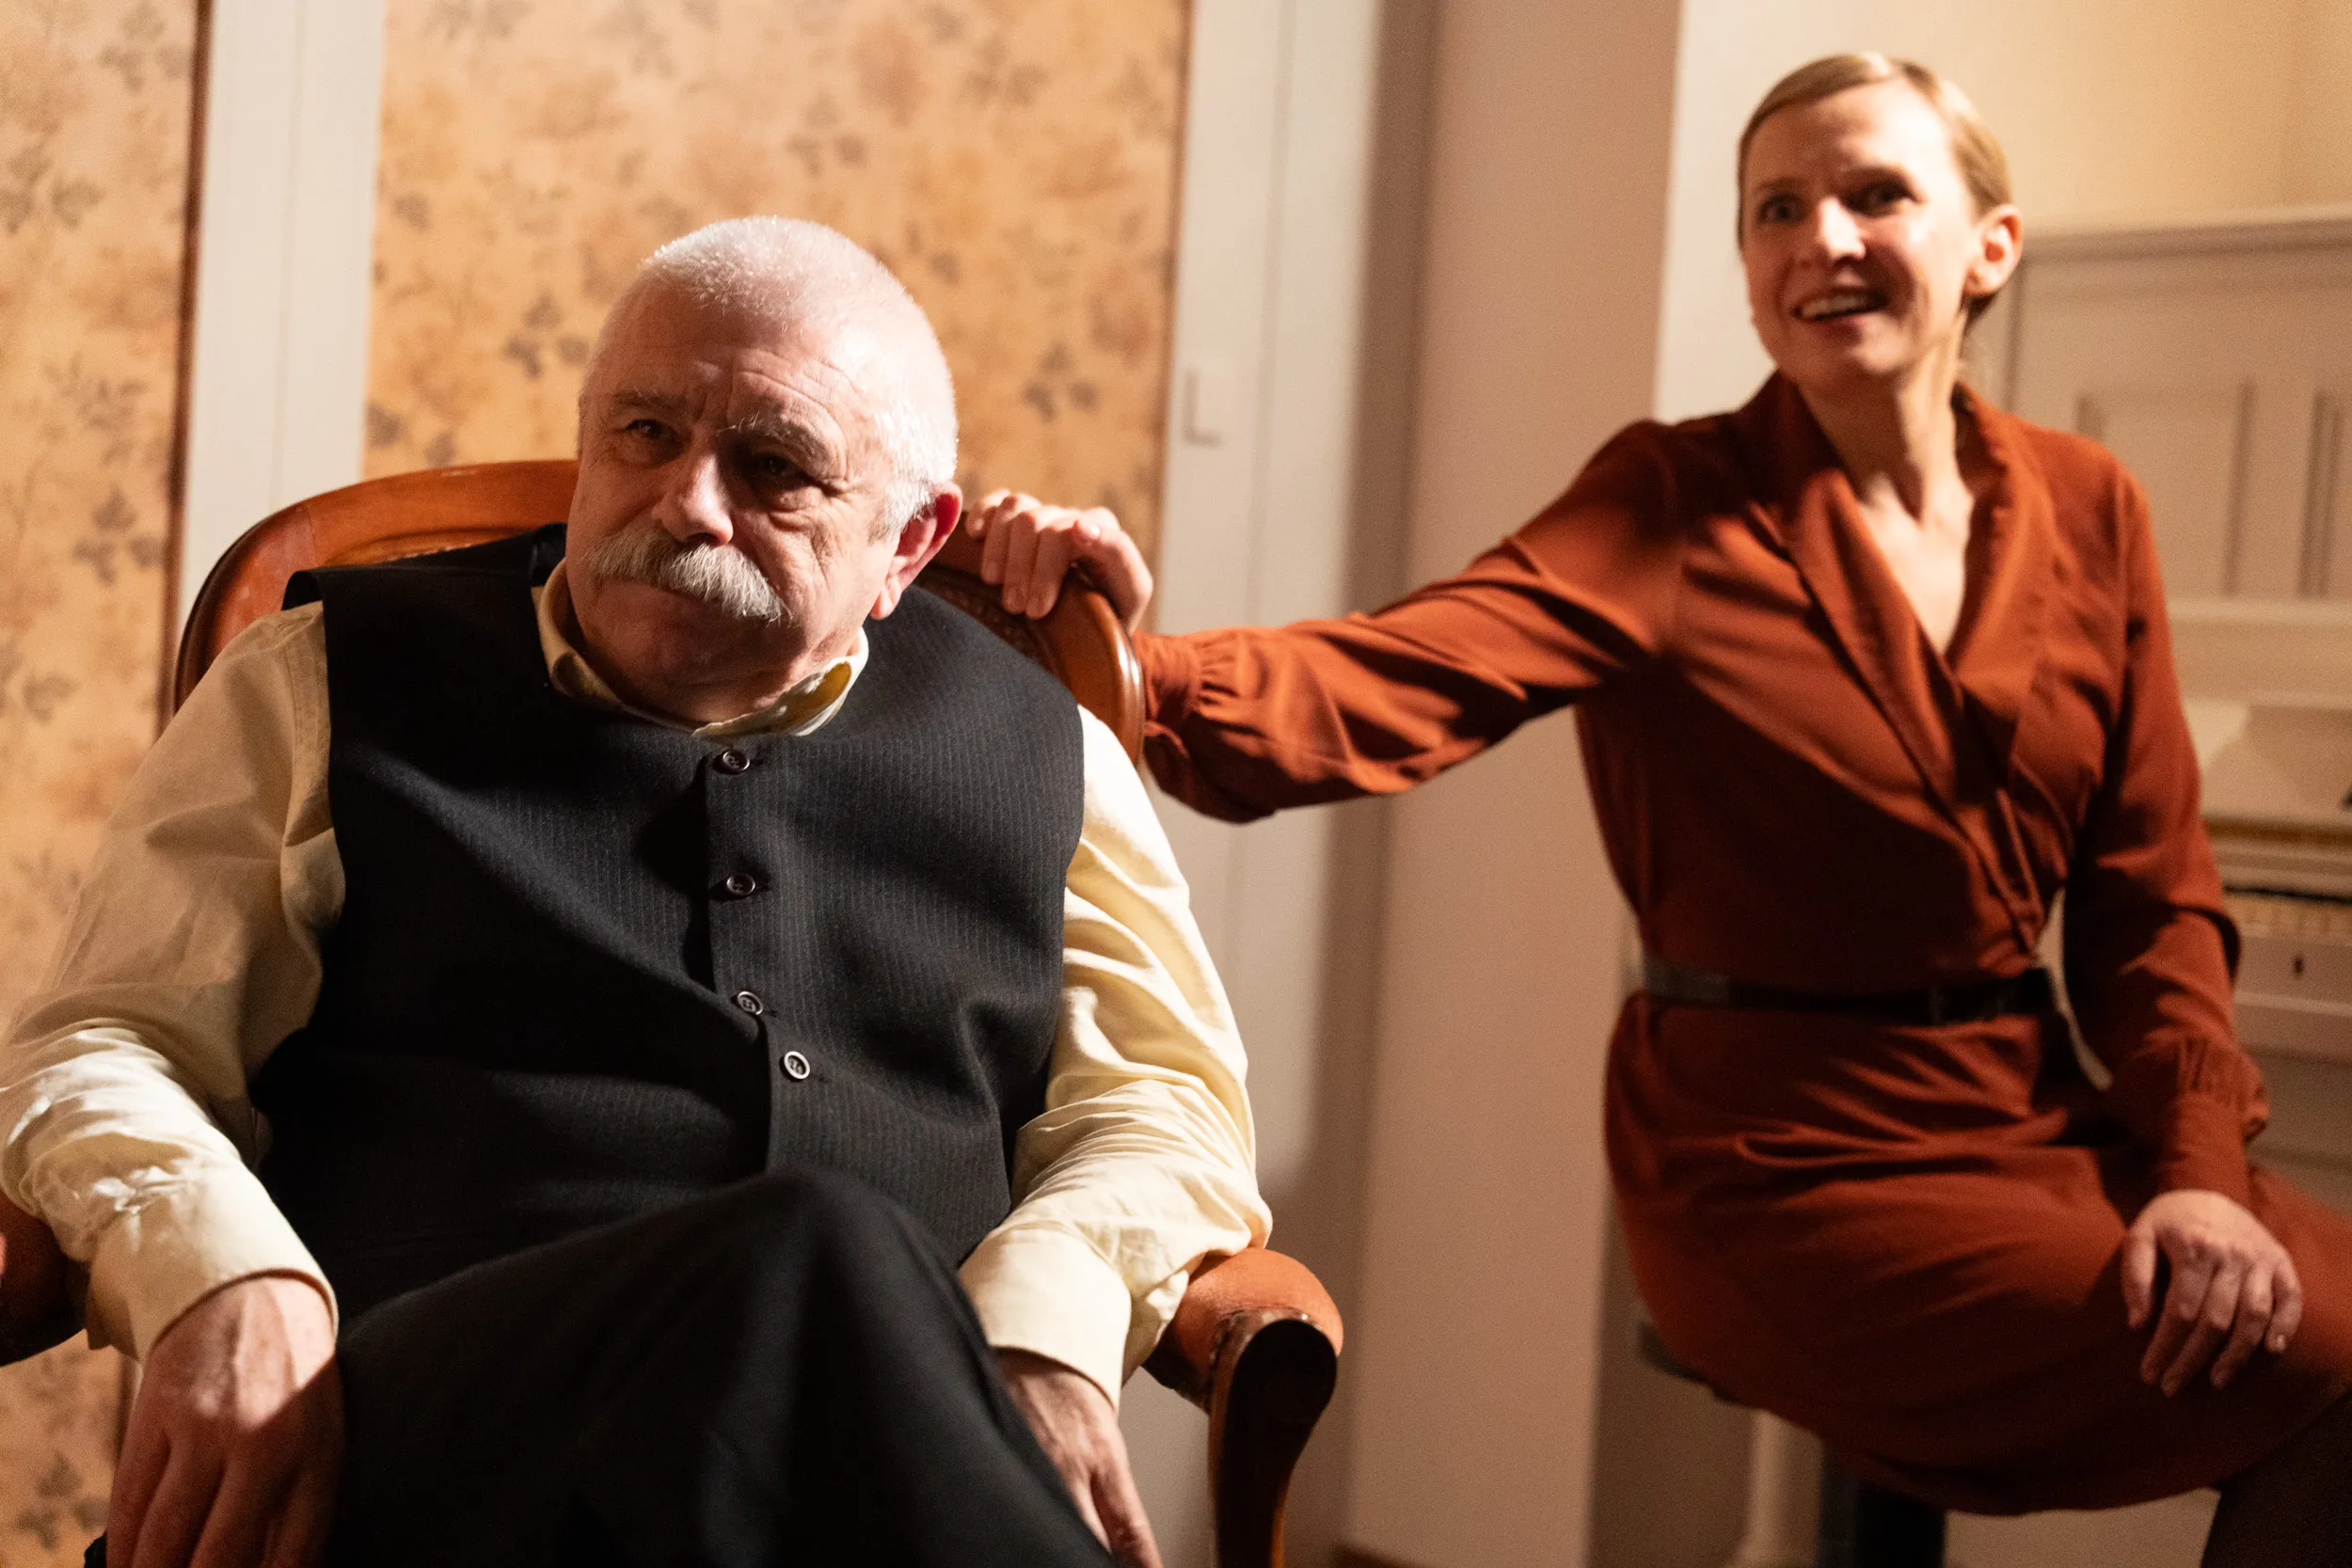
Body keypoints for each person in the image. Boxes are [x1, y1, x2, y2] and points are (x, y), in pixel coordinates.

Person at [971, 54, 2352, 1564]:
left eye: (1875, 193)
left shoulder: (2094, 504)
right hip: (1776, 1154)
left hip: (2034, 1112)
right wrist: (1124, 660)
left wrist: (2200, 1174)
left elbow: (2154, 898)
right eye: (1777, 209)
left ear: (1990, 245)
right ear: (1751, 273)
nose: (1821, 238)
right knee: (2308, 1367)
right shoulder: (1673, 500)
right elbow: (1397, 670)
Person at [0, 216, 1268, 1568]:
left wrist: (1043, 1328)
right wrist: (221, 1271)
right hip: (422, 1470)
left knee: (823, 1286)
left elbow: (1163, 1108)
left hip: (827, 1508)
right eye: (646, 434)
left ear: (909, 543)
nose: (687, 504)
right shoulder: (322, 676)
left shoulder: (1043, 750)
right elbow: (111, 1038)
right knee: (814, 1241)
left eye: (774, 467)